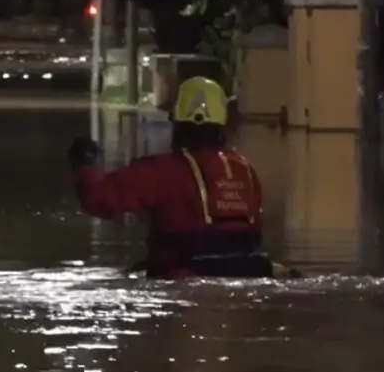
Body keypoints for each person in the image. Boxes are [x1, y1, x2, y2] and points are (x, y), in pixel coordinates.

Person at [67, 76, 278, 279]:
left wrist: (83, 165)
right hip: (249, 276)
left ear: (176, 122)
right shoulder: (246, 171)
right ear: (222, 123)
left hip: (182, 279)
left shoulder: (161, 171)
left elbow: (99, 199)